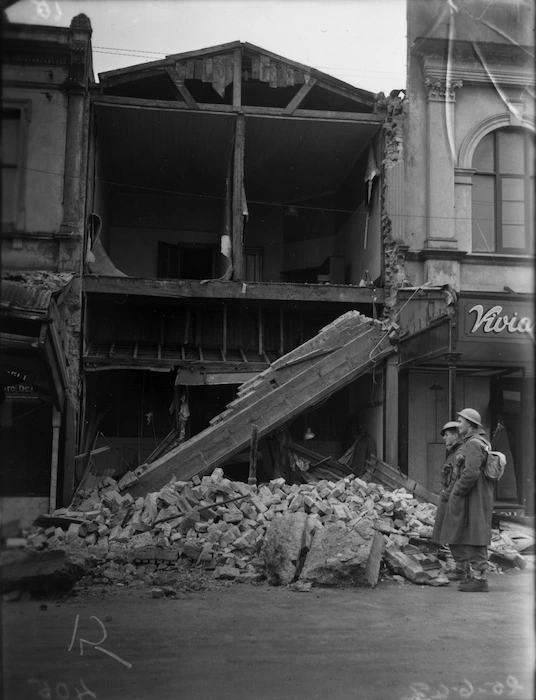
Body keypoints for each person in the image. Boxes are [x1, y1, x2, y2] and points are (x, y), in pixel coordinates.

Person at [439, 408, 495, 593]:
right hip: (479, 493)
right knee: (475, 531)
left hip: (473, 494)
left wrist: (458, 492)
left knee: (474, 532)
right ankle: (478, 577)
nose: (458, 424)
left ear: (470, 424)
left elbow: (471, 473)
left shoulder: (472, 443)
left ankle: (479, 580)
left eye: (461, 421)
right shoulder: (481, 442)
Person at [432, 421, 466, 579]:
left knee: (450, 533)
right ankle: (459, 568)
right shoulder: (452, 451)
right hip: (448, 495)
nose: (444, 438)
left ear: (456, 435)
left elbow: (456, 477)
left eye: (447, 435)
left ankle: (458, 569)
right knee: (448, 533)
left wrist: (447, 494)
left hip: (451, 497)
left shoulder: (459, 451)